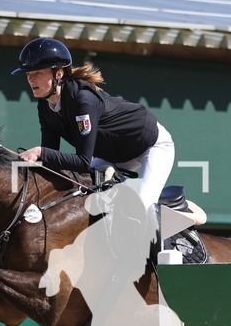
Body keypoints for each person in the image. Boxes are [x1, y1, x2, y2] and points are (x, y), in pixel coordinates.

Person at [12, 37, 175, 216]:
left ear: (58, 74)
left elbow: (82, 161)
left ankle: (163, 243)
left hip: (151, 145)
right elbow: (51, 161)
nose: (31, 79)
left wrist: (40, 152)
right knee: (83, 200)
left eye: (38, 73)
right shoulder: (44, 106)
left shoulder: (83, 100)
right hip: (112, 154)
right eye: (28, 75)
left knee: (141, 210)